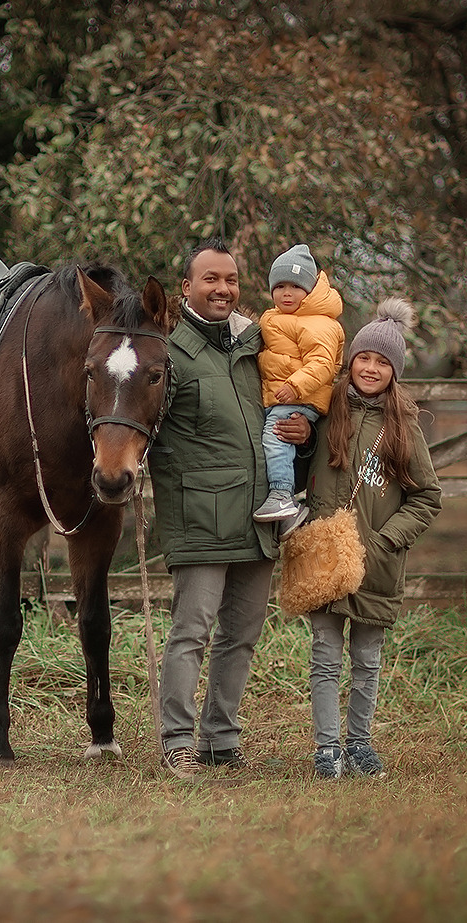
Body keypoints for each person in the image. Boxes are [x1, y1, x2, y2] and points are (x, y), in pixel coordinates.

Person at [149, 238, 314, 781]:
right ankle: (177, 742)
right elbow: (136, 428)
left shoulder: (257, 347)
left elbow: (285, 410)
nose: (224, 289)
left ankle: (221, 739)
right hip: (199, 516)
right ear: (186, 288)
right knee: (190, 632)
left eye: (232, 280)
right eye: (211, 279)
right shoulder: (168, 356)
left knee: (241, 635)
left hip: (257, 514)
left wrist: (303, 430)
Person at [302, 298, 441, 780]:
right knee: (324, 657)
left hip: (376, 564)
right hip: (324, 556)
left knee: (366, 660)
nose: (371, 367)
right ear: (351, 359)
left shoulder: (404, 426)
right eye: (364, 357)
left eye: (383, 362)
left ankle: (360, 743)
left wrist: (384, 541)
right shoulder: (326, 410)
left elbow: (428, 498)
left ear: (394, 372)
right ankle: (327, 748)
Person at [253, 243, 345, 524]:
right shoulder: (277, 318)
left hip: (300, 397)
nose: (287, 293)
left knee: (275, 436)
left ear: (308, 291)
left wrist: (294, 385)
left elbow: (322, 364)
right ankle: (288, 509)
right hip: (284, 395)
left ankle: (282, 495)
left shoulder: (318, 322)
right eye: (280, 287)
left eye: (295, 286)